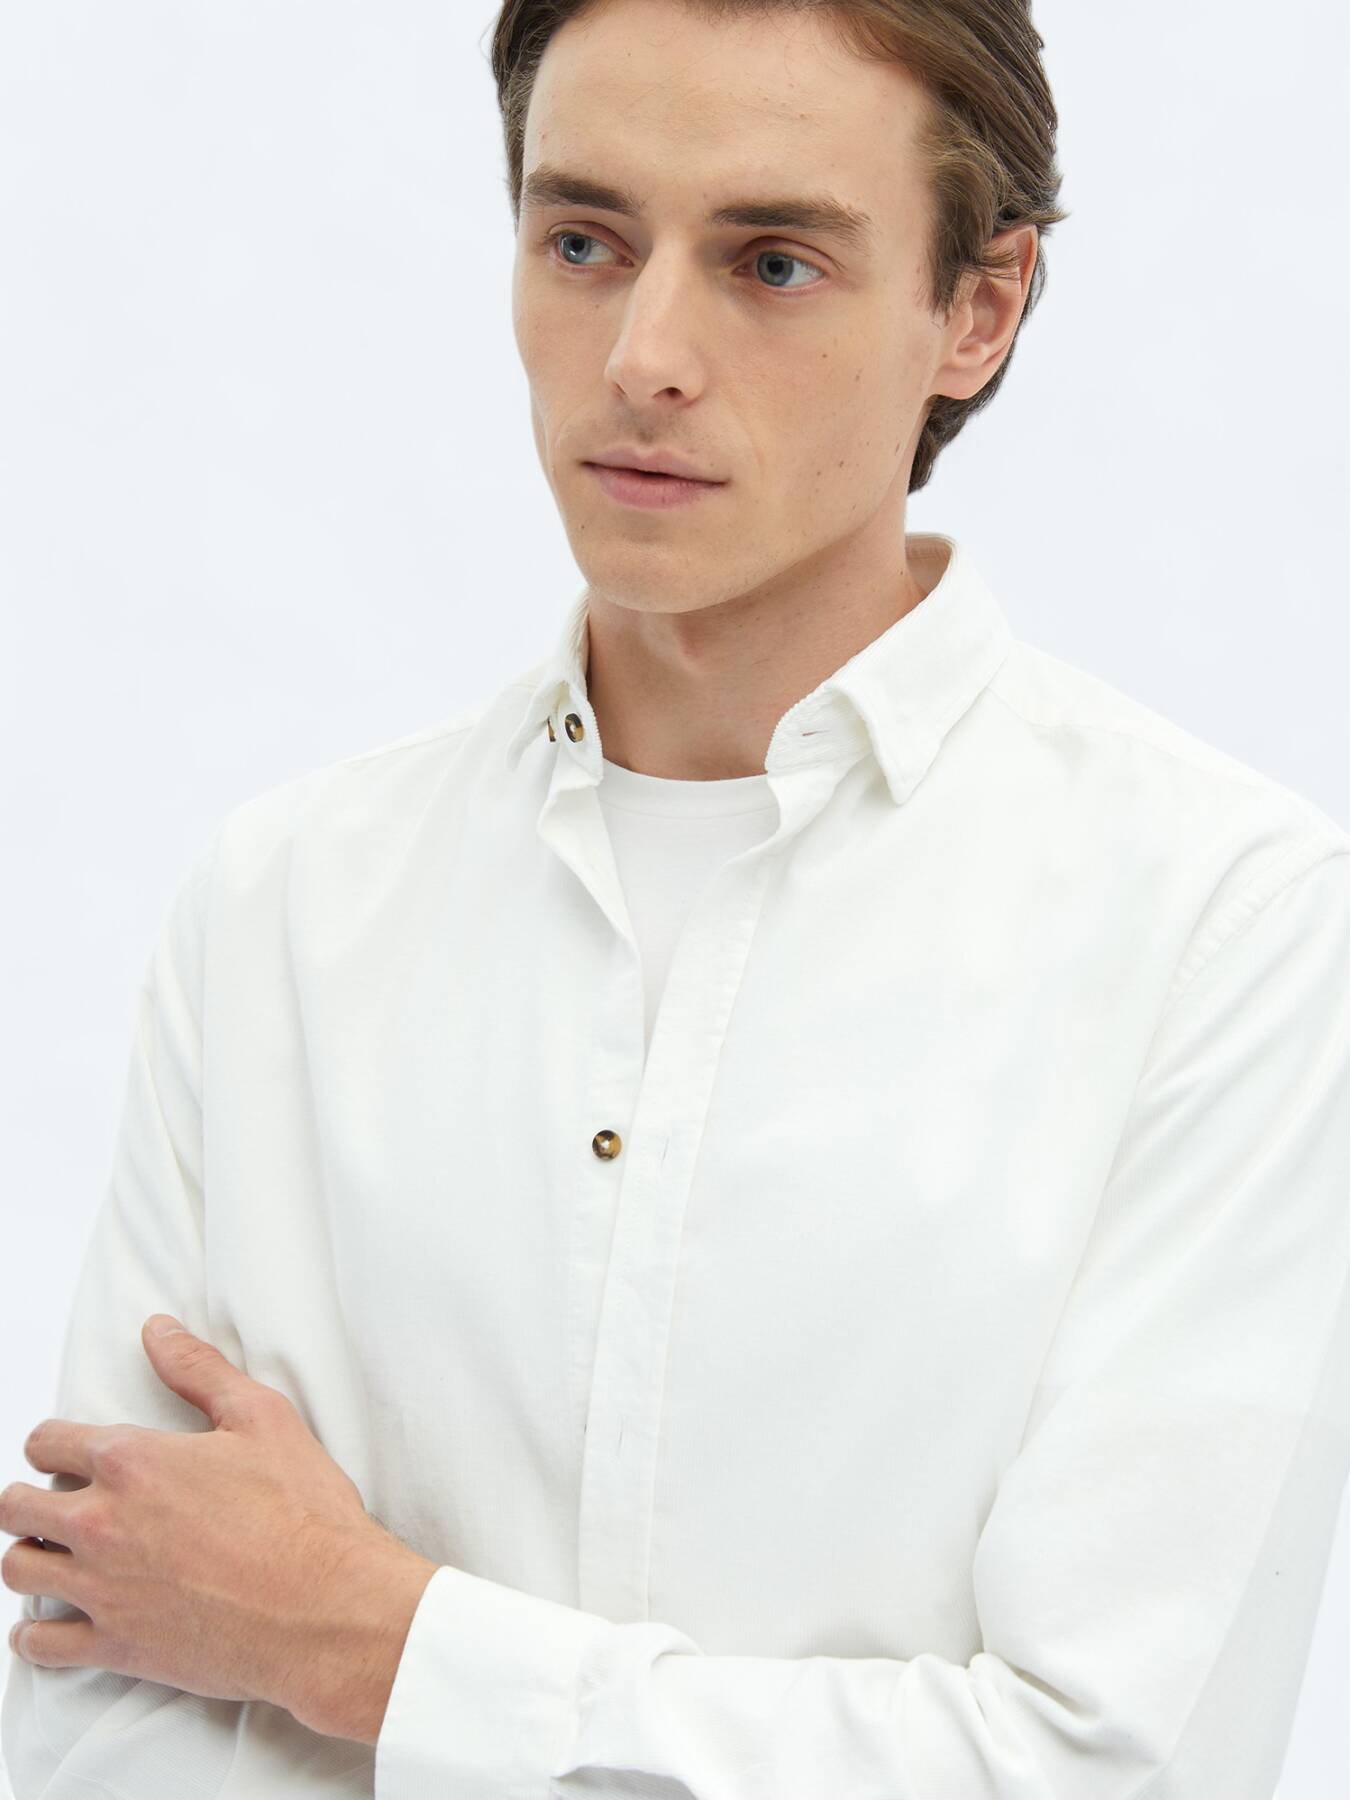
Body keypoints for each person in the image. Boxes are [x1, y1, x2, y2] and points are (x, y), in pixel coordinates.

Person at [5, 1, 1350, 1794]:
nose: (641, 356)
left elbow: (1107, 1767)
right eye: (583, 241)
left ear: (977, 309)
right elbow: (98, 1675)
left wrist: (372, 1648)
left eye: (770, 263)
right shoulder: (286, 905)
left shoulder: (1224, 929)